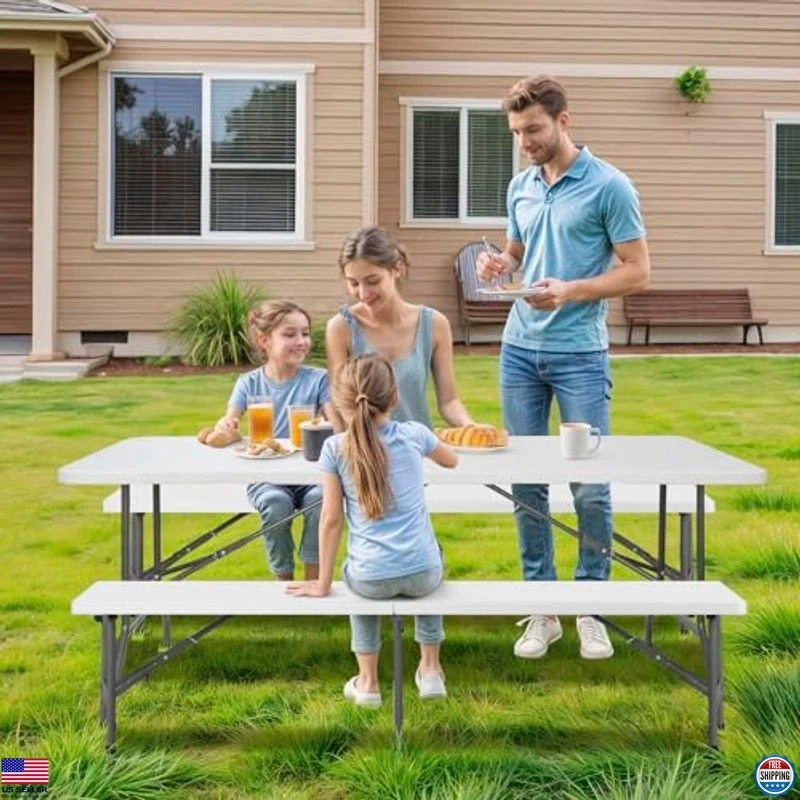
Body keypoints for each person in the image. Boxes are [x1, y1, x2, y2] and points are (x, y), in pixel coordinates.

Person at [476, 76, 651, 661]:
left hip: (579, 354)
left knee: (590, 485)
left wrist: (573, 289)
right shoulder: (521, 186)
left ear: (563, 121)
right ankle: (543, 607)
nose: (524, 141)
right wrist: (500, 263)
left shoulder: (610, 186)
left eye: (533, 130)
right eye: (517, 133)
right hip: (519, 351)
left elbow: (637, 270)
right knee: (527, 481)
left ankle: (590, 603)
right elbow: (519, 251)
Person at [286, 353, 458, 706]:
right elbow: (451, 460)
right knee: (430, 554)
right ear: (394, 398)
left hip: (370, 580)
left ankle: (368, 684)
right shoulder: (415, 435)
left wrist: (321, 583)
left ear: (339, 403)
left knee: (361, 574)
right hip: (422, 575)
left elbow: (331, 519)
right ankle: (430, 671)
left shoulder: (334, 448)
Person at [214, 299, 337, 581]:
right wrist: (227, 425)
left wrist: (333, 416)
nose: (301, 341)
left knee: (321, 500)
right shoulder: (249, 383)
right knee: (274, 502)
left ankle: (314, 580)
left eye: (305, 333)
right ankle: (284, 582)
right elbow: (229, 424)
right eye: (290, 334)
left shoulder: (318, 380)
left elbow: (337, 428)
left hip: (310, 475)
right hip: (266, 475)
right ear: (264, 340)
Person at [326, 225, 474, 430]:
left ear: (397, 269)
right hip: (365, 452)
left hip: (417, 449)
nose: (363, 293)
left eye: (372, 281)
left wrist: (470, 426)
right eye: (354, 283)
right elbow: (340, 405)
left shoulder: (434, 325)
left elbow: (448, 402)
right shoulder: (341, 328)